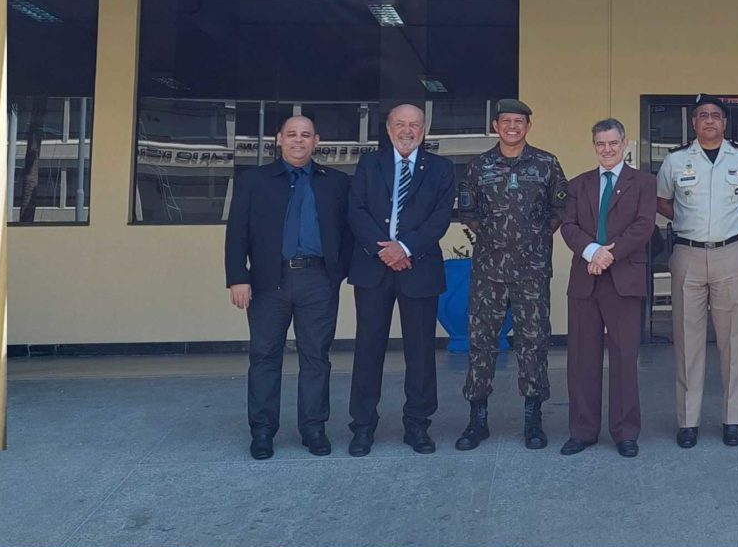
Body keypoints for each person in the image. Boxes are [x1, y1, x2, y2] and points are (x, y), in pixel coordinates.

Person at [225, 115, 351, 459]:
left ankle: (313, 428)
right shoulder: (255, 181)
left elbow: (349, 232)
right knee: (264, 357)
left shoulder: (335, 182)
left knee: (316, 358)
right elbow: (237, 232)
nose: (299, 140)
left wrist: (337, 273)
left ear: (316, 141)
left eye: (306, 135)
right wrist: (238, 277)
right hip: (268, 281)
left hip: (317, 280)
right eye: (292, 134)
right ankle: (263, 431)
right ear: (279, 139)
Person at [452, 99, 568, 450]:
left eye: (519, 121)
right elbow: (467, 211)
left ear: (528, 126)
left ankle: (533, 420)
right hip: (489, 271)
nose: (512, 127)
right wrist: (493, 238)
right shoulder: (478, 165)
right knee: (481, 345)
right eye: (506, 121)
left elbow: (560, 208)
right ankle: (478, 419)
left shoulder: (546, 163)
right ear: (495, 126)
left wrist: (532, 238)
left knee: (533, 344)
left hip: (531, 271)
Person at [656, 95, 738, 447]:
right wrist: (686, 220)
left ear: (724, 123)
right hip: (687, 254)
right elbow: (661, 200)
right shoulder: (675, 160)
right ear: (693, 123)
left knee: (733, 341)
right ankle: (688, 421)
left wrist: (734, 221)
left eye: (715, 116)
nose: (709, 121)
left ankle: (732, 419)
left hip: (730, 255)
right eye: (702, 115)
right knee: (688, 341)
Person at [344, 103, 456, 455]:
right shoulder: (368, 164)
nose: (408, 130)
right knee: (368, 349)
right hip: (372, 268)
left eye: (415, 125)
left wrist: (405, 248)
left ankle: (418, 426)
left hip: (419, 268)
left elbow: (440, 218)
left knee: (421, 352)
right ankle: (362, 426)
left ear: (424, 130)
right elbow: (356, 210)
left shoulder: (441, 168)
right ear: (389, 128)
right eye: (401, 124)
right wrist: (385, 251)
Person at [557, 119, 657, 456]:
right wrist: (591, 252)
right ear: (594, 145)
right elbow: (568, 226)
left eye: (613, 143)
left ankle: (625, 432)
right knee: (582, 358)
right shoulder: (578, 184)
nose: (607, 149)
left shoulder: (643, 183)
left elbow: (644, 226)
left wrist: (607, 255)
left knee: (624, 358)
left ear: (625, 143)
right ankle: (582, 431)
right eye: (600, 144)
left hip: (624, 280)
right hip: (585, 280)